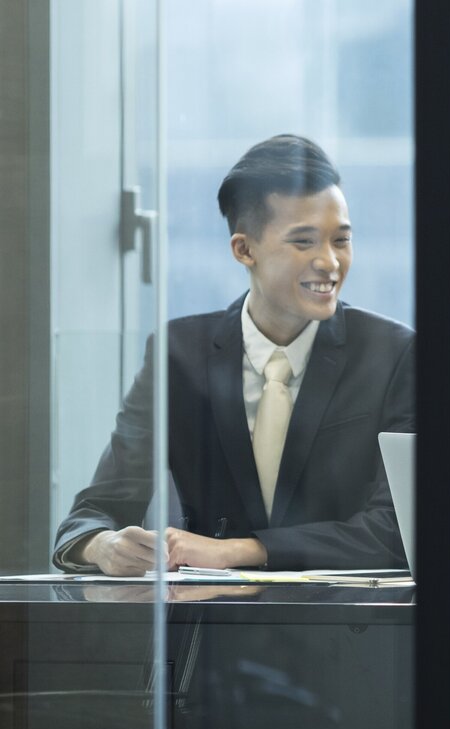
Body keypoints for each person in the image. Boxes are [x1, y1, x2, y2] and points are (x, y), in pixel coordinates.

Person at [53, 134, 415, 575]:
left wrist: (238, 551)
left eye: (340, 240)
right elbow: (91, 513)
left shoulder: (394, 353)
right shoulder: (178, 354)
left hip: (348, 630)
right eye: (304, 242)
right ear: (245, 249)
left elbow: (400, 531)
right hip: (220, 629)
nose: (330, 262)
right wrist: (103, 546)